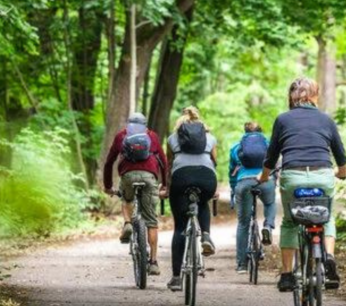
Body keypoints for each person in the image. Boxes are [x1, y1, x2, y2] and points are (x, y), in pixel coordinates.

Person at [257, 77, 346, 292]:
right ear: (315, 96)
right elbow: (341, 156)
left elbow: (271, 157)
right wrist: (341, 173)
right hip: (322, 175)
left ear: (291, 97)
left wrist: (263, 177)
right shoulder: (326, 120)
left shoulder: (282, 119)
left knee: (290, 222)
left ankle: (287, 274)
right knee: (327, 217)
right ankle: (330, 258)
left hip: (293, 176)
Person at [160, 106, 219, 291]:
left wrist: (167, 187)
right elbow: (214, 162)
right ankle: (206, 236)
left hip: (181, 178)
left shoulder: (172, 139)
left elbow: (169, 165)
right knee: (202, 202)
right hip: (206, 177)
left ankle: (177, 277)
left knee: (179, 227)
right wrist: (213, 187)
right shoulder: (210, 138)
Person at [103, 112, 168, 276]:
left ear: (128, 123)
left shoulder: (121, 135)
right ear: (145, 124)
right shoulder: (151, 135)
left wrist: (108, 186)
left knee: (126, 198)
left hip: (128, 175)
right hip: (149, 177)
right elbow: (163, 161)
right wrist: (165, 185)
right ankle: (153, 262)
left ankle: (127, 224)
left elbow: (109, 162)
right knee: (151, 221)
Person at [230, 121, 276, 274]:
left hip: (243, 183)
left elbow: (232, 173)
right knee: (269, 203)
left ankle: (242, 264)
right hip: (265, 181)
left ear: (245, 132)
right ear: (261, 131)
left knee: (243, 223)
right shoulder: (269, 144)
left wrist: (233, 190)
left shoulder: (236, 148)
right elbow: (275, 165)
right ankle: (268, 226)